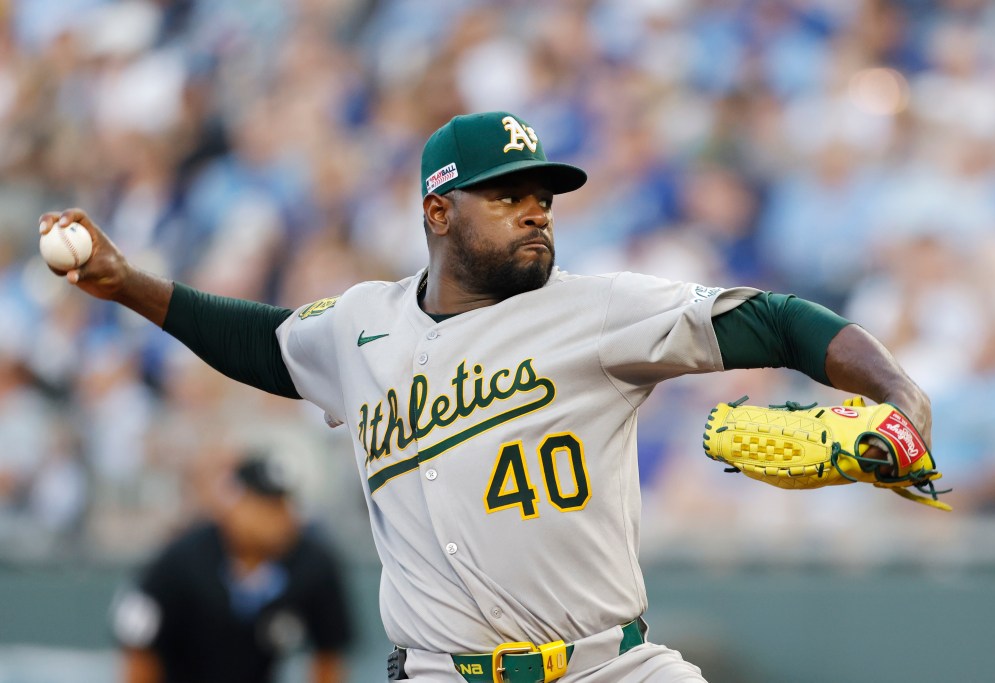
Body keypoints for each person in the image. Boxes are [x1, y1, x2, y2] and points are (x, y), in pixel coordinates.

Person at [48, 111, 931, 682]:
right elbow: (264, 342)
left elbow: (774, 319)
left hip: (606, 669)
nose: (537, 209)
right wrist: (127, 284)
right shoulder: (360, 325)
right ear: (439, 213)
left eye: (543, 195)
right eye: (508, 194)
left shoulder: (599, 309)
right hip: (439, 669)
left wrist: (900, 393)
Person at [109, 454, 355, 683]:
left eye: (283, 505)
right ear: (234, 503)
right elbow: (139, 647)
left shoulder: (311, 564)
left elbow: (330, 653)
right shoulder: (181, 562)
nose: (279, 518)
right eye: (265, 505)